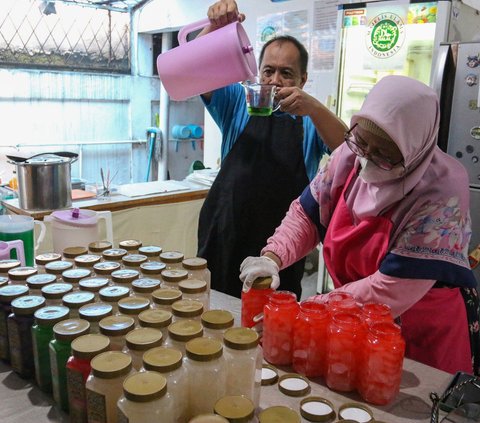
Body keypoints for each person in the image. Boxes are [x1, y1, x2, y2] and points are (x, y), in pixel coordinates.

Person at [240, 75, 480, 375]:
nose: (366, 158)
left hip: (420, 331)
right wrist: (272, 257)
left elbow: (390, 288)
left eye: (384, 154)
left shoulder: (442, 192)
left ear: (413, 150)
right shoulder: (350, 155)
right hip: (351, 319)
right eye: (362, 142)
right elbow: (306, 216)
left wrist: (307, 311)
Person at [197, 0, 346, 299]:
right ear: (257, 74)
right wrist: (214, 29)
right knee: (213, 315)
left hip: (279, 247)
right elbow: (198, 68)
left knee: (272, 326)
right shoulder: (238, 103)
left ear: (302, 80)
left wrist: (314, 108)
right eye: (268, 71)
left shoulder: (310, 120)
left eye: (286, 73)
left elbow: (349, 150)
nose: (275, 81)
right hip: (225, 232)